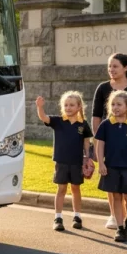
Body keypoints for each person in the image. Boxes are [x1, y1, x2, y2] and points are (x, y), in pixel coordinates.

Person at [90, 53, 127, 229]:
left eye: (115, 66)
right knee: (111, 179)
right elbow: (96, 116)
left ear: (125, 67)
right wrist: (99, 143)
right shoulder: (102, 88)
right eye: (109, 66)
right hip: (110, 141)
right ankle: (115, 216)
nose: (111, 70)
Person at [35, 91, 93, 231]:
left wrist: (87, 158)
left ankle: (77, 216)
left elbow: (86, 142)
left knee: (75, 188)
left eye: (72, 105)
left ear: (79, 106)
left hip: (76, 162)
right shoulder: (58, 121)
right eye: (66, 105)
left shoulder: (83, 124)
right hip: (61, 162)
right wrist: (39, 107)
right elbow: (43, 117)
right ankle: (58, 217)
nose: (68, 107)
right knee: (61, 189)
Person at [94, 90, 127, 243]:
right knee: (116, 196)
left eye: (119, 104)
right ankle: (120, 228)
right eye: (113, 104)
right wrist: (101, 163)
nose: (115, 107)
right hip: (111, 166)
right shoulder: (106, 124)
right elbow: (100, 144)